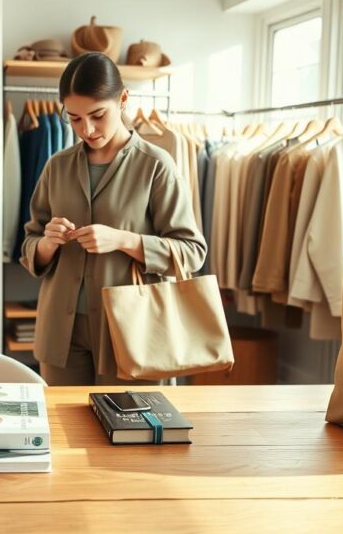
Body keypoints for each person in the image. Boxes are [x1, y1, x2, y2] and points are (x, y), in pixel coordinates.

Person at [19, 52, 206, 386]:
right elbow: (30, 244)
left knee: (130, 435)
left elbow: (191, 252)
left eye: (97, 115)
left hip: (132, 330)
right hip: (62, 335)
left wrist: (124, 240)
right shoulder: (57, 167)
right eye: (74, 119)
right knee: (64, 433)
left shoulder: (156, 165)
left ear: (122, 99)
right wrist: (46, 243)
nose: (86, 129)